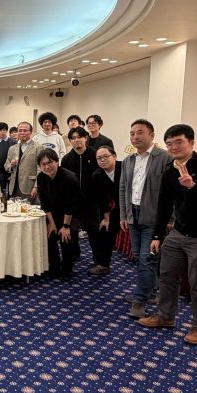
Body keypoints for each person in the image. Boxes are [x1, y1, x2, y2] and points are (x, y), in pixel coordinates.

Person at [139, 124, 197, 346]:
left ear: (191, 142)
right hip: (179, 233)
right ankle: (165, 316)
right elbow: (164, 205)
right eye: (169, 144)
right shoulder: (170, 171)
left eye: (179, 142)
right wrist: (157, 236)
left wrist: (193, 186)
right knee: (167, 276)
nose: (174, 147)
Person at [119, 119, 171, 318]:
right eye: (132, 133)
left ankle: (139, 301)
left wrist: (170, 219)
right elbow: (123, 189)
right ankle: (150, 291)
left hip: (154, 218)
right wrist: (124, 214)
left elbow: (173, 192)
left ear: (152, 135)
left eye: (140, 132)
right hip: (133, 216)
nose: (135, 137)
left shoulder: (165, 158)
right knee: (140, 257)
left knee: (146, 259)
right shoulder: (128, 160)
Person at [60, 127, 104, 274]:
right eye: (73, 138)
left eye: (79, 137)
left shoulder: (95, 155)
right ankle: (74, 253)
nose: (76, 140)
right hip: (74, 202)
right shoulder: (66, 159)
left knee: (94, 232)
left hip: (92, 201)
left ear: (85, 138)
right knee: (72, 231)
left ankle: (99, 261)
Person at [36, 148, 84, 276]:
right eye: (43, 164)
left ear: (57, 161)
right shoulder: (41, 177)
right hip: (53, 213)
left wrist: (65, 226)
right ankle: (54, 266)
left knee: (65, 237)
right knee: (50, 235)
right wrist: (51, 223)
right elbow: (44, 203)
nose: (47, 167)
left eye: (50, 162)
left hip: (72, 214)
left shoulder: (69, 177)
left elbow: (71, 205)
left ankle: (68, 267)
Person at [92, 145, 121, 275]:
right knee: (106, 229)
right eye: (99, 158)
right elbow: (102, 199)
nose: (102, 160)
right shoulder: (97, 175)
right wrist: (106, 219)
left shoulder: (124, 167)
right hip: (118, 206)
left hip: (135, 204)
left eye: (105, 156)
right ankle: (104, 264)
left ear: (114, 156)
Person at [5, 122, 39, 201]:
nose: (22, 133)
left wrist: (36, 187)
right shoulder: (12, 148)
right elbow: (6, 166)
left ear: (30, 132)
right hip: (13, 187)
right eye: (20, 131)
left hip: (29, 187)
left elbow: (40, 169)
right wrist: (11, 165)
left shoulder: (38, 147)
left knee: (29, 208)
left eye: (25, 130)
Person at [0, 122, 14, 197]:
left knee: (11, 192)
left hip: (10, 171)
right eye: (0, 130)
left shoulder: (13, 142)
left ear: (6, 131)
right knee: (1, 192)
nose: (2, 132)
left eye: (4, 130)